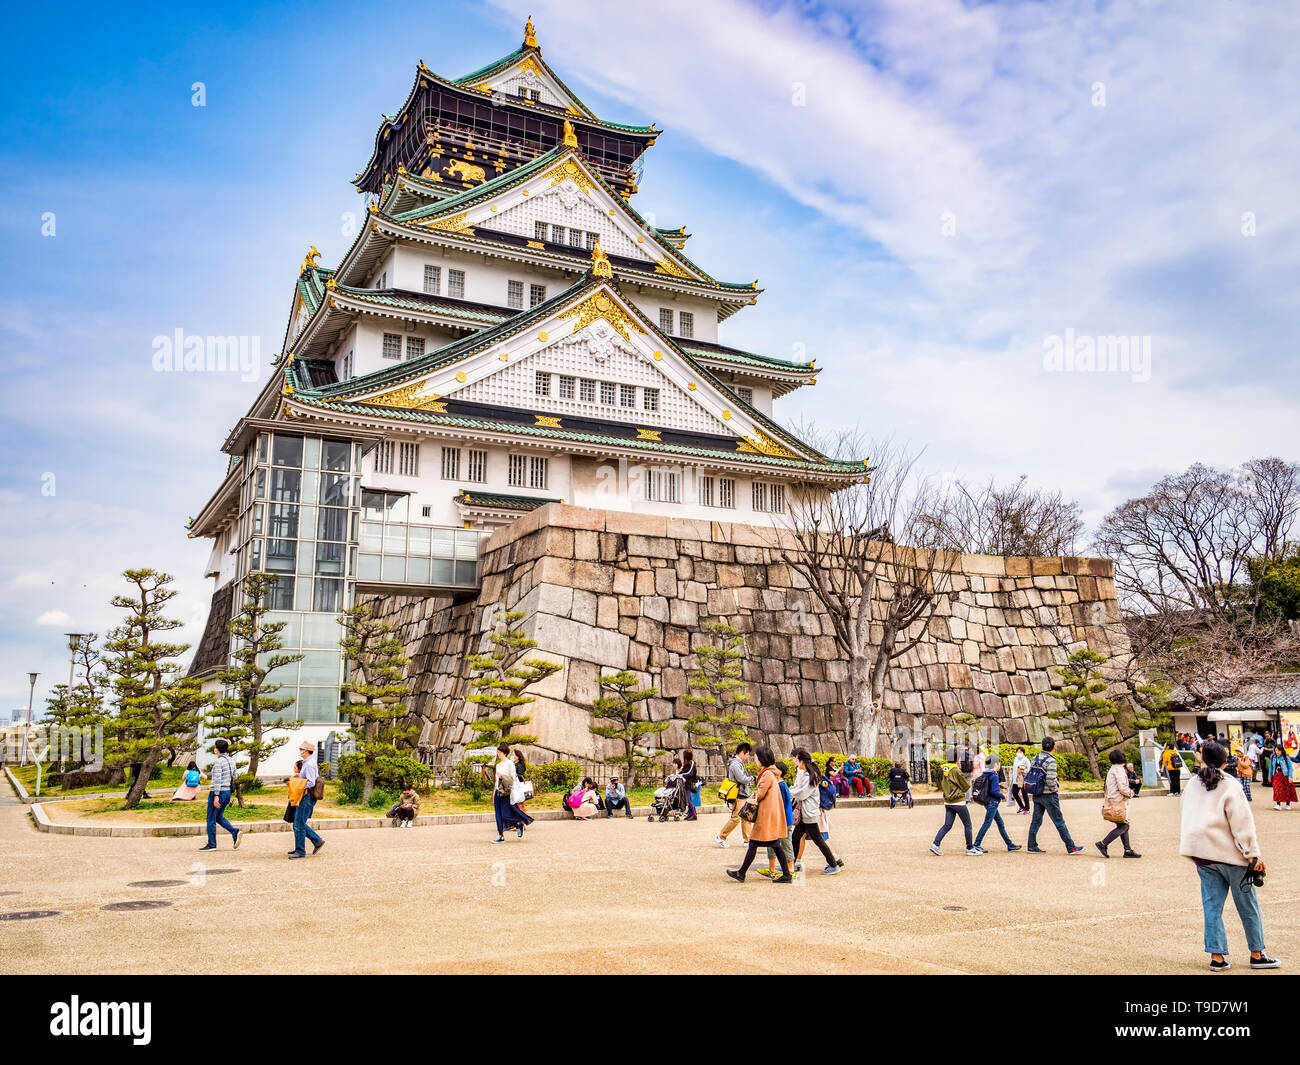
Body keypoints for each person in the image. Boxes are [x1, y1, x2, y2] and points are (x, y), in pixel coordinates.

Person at [1180, 742, 1279, 971]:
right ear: (1226, 761)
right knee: (1248, 906)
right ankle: (1257, 953)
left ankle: (1217, 957)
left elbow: (1187, 814)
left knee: (1212, 907)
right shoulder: (1230, 784)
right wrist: (1253, 855)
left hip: (1202, 856)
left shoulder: (1192, 784)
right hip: (1232, 857)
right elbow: (1242, 824)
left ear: (1202, 759)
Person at [725, 746, 792, 884]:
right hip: (769, 813)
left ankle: (741, 873)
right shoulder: (770, 772)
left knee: (756, 843)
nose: (754, 759)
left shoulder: (766, 774)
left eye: (756, 757)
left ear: (762, 759)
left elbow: (761, 794)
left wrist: (754, 794)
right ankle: (785, 874)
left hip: (766, 815)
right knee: (772, 844)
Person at [1026, 736, 1084, 854]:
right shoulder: (1051, 760)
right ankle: (1071, 846)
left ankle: (1031, 845)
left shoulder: (1035, 758)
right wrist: (1054, 790)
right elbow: (1051, 779)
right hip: (1049, 795)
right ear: (1053, 747)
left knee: (1036, 821)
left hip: (1037, 793)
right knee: (1059, 821)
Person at [788, 748, 842, 873]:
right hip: (807, 813)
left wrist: (787, 790)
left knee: (818, 840)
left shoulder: (810, 776)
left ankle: (833, 865)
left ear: (801, 761)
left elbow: (802, 794)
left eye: (796, 759)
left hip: (809, 814)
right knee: (796, 837)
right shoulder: (810, 774)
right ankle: (792, 863)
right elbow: (801, 791)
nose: (794, 761)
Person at [1096, 748, 1141, 859]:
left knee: (1122, 824)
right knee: (1124, 825)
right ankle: (1103, 843)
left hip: (1113, 799)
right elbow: (1122, 787)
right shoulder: (1119, 770)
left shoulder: (1113, 769)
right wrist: (1131, 793)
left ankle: (1127, 850)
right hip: (1118, 800)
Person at [972, 755, 1020, 853]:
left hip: (988, 801)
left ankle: (1010, 844)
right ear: (995, 764)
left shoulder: (985, 774)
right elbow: (994, 791)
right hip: (992, 802)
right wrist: (1003, 796)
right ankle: (976, 844)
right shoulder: (994, 775)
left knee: (1000, 823)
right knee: (987, 823)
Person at [201, 739, 242, 852]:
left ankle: (212, 844)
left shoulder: (218, 762)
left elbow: (217, 779)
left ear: (217, 750)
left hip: (218, 792)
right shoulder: (231, 761)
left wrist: (216, 795)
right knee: (218, 816)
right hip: (227, 791)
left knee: (210, 818)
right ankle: (234, 831)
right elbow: (235, 776)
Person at [930, 762, 976, 856]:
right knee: (967, 825)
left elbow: (939, 783)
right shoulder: (955, 770)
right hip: (958, 800)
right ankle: (970, 848)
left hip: (947, 801)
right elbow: (965, 785)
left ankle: (935, 844)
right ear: (956, 760)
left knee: (947, 825)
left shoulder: (942, 769)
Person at [288, 739, 324, 858]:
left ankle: (300, 851)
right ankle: (317, 841)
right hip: (305, 795)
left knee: (298, 824)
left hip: (306, 796)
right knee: (299, 823)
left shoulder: (308, 764)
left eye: (302, 749)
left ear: (307, 751)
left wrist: (297, 784)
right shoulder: (308, 762)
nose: (300, 751)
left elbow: (311, 782)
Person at [715, 742, 755, 848]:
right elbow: (742, 779)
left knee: (746, 817)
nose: (747, 757)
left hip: (742, 794)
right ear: (742, 753)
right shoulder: (735, 764)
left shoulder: (736, 762)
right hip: (738, 795)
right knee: (736, 818)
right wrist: (753, 778)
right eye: (747, 754)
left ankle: (747, 840)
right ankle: (721, 836)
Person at [760, 762, 796, 879]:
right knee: (771, 843)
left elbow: (779, 804)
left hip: (784, 820)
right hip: (779, 819)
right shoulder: (779, 784)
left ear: (779, 772)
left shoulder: (780, 785)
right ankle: (772, 868)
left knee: (786, 844)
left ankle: (790, 868)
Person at [492, 743, 526, 842]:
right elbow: (496, 781)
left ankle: (519, 824)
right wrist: (494, 792)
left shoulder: (510, 764)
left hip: (506, 792)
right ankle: (500, 835)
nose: (498, 754)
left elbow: (513, 778)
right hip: (498, 791)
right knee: (497, 814)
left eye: (500, 752)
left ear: (505, 753)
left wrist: (503, 777)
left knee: (505, 814)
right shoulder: (498, 765)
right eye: (498, 752)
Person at [1271, 745, 1297, 811]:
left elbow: (1290, 767)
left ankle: (1287, 804)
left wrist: (1290, 777)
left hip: (1285, 775)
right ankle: (1278, 804)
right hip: (1276, 775)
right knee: (1277, 789)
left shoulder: (1286, 757)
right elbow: (1271, 767)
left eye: (1278, 750)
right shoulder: (1273, 757)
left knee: (1287, 789)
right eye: (1276, 750)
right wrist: (1270, 776)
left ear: (1281, 751)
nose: (1277, 752)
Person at [1010, 747, 1032, 813]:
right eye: (1018, 752)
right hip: (1015, 779)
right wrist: (1012, 778)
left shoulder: (1025, 759)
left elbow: (1029, 769)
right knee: (1014, 793)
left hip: (1023, 779)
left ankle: (1027, 809)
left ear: (1023, 753)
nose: (1019, 753)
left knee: (1024, 794)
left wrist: (1022, 771)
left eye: (1020, 752)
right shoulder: (1015, 759)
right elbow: (1014, 769)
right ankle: (1022, 807)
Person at [680, 749, 700, 820]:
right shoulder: (686, 763)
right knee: (688, 799)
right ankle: (690, 813)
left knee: (688, 800)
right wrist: (678, 774)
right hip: (685, 784)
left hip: (690, 784)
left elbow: (690, 773)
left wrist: (681, 775)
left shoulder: (692, 763)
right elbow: (683, 771)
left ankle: (694, 814)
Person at [511, 749, 531, 817]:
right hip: (515, 788)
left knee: (520, 805)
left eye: (513, 755)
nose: (512, 756)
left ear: (517, 757)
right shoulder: (514, 765)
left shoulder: (519, 765)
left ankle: (524, 820)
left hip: (518, 788)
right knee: (519, 804)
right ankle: (522, 821)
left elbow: (520, 776)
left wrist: (514, 775)